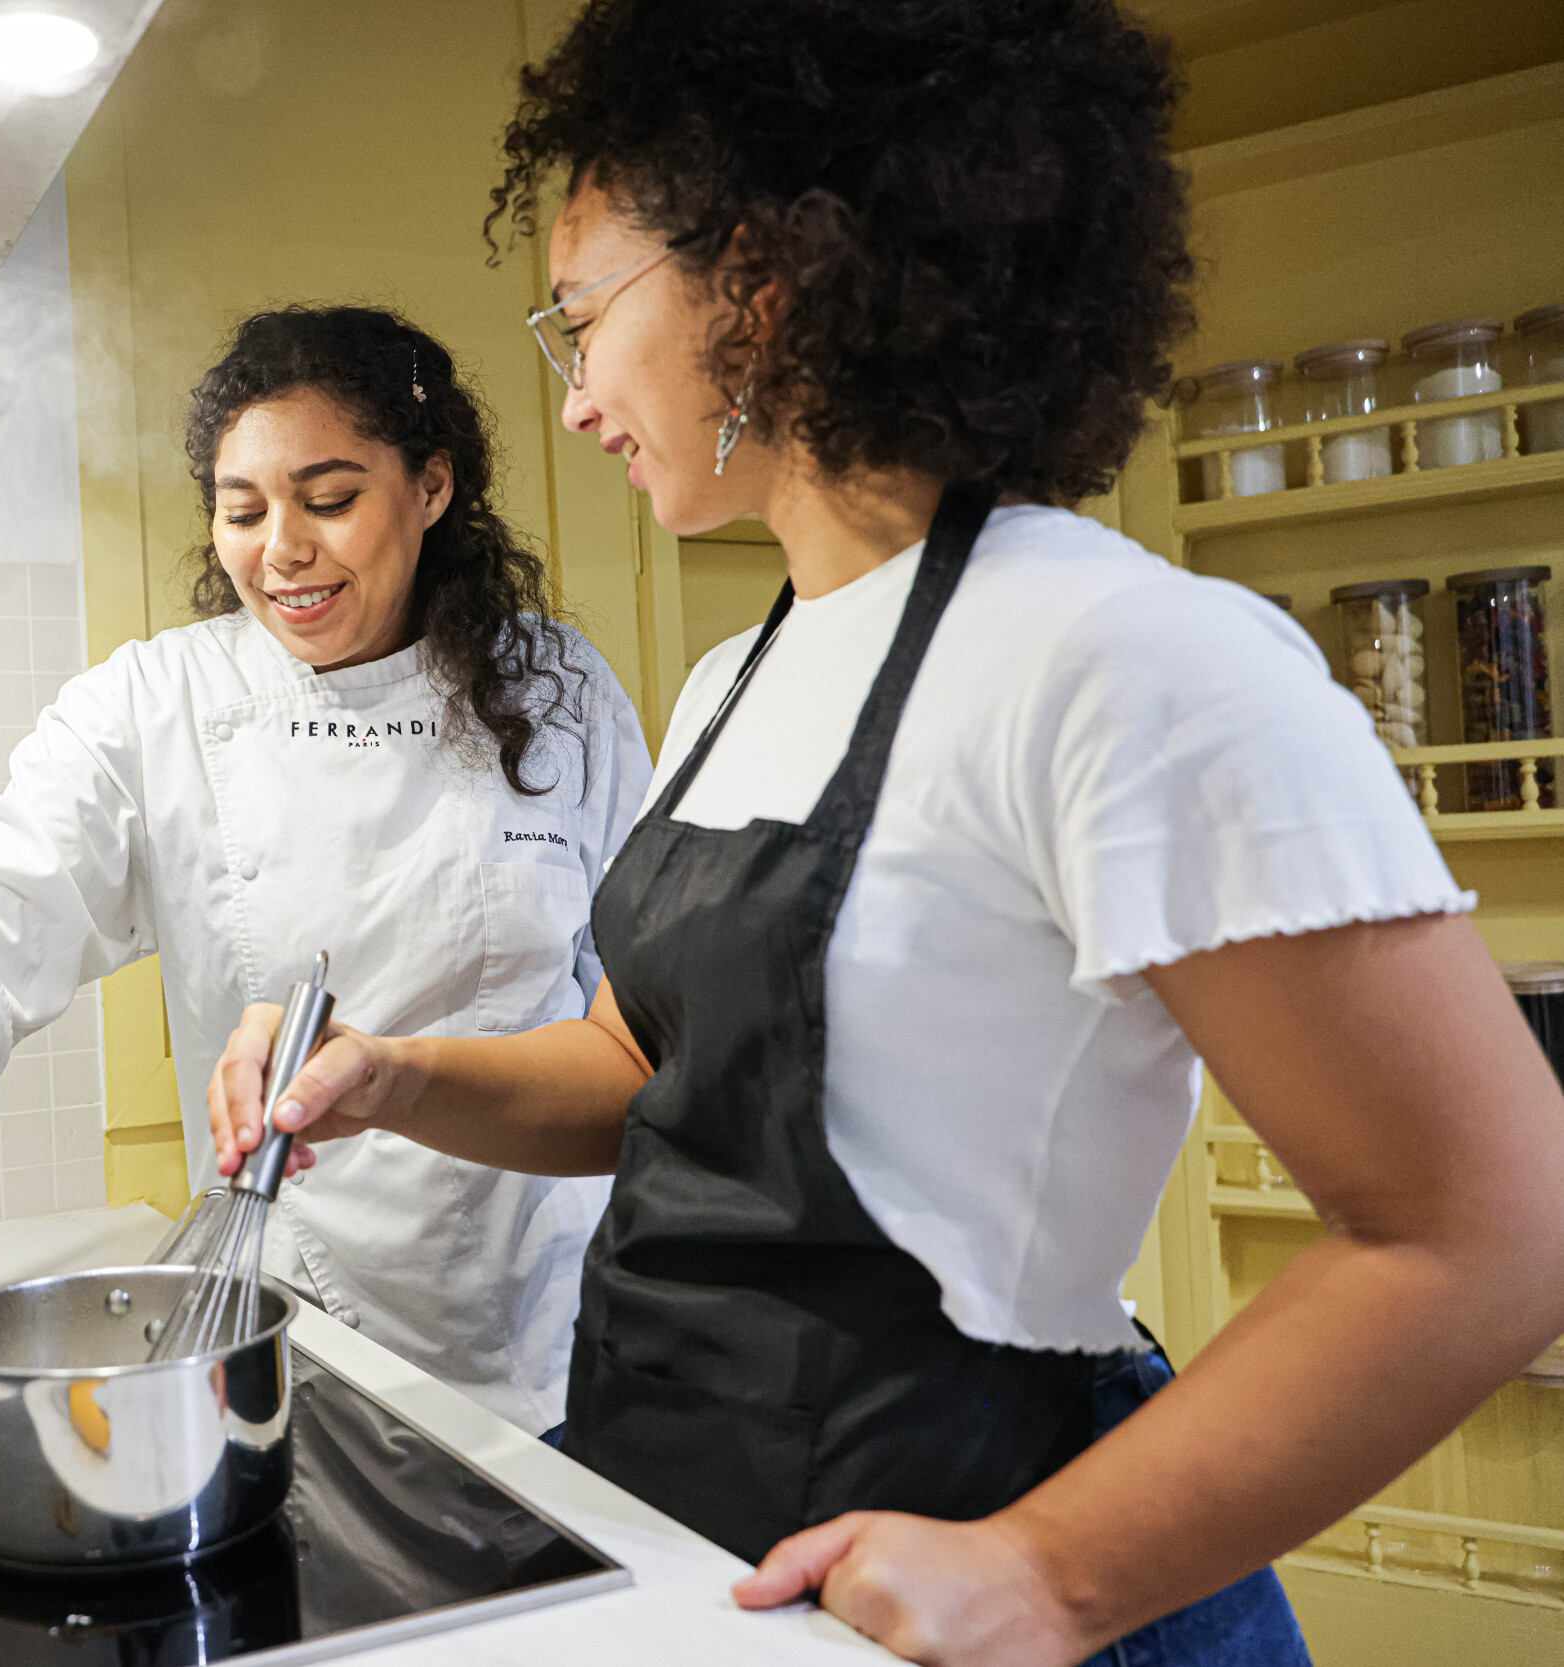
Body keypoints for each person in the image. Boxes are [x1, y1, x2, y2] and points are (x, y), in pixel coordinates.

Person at [205, 4, 1564, 1663]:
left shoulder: (1124, 661)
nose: (573, 403)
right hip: (691, 1550)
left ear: (761, 282)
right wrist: (398, 1078)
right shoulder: (733, 674)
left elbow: (1493, 1223)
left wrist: (1053, 1572)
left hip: (968, 1570)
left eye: (582, 321)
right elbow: (654, 1066)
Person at [0, 305, 650, 1436]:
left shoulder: (561, 693)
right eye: (240, 510)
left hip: (549, 1333)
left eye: (329, 499)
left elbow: (640, 1009)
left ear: (431, 486)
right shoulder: (159, 705)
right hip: (292, 1335)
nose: (280, 549)